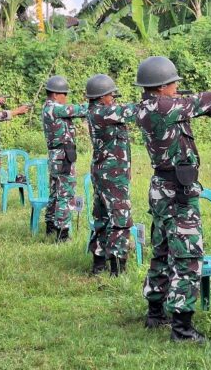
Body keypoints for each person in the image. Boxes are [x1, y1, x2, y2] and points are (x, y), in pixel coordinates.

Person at [135, 56, 211, 342]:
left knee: (163, 251)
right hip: (177, 191)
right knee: (189, 256)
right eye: (173, 83)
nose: (177, 87)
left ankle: (155, 313)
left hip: (162, 187)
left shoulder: (149, 107)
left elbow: (203, 107)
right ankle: (182, 328)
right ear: (162, 86)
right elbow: (200, 101)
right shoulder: (165, 106)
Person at [85, 74, 137, 276]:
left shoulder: (97, 111)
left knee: (102, 217)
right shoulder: (103, 113)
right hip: (112, 175)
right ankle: (117, 269)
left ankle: (98, 265)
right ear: (100, 97)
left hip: (105, 172)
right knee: (120, 218)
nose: (113, 98)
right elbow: (134, 110)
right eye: (110, 95)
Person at [41, 75, 88, 242]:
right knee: (65, 194)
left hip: (57, 156)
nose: (65, 98)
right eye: (64, 94)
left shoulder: (48, 108)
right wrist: (96, 103)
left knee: (55, 191)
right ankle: (62, 233)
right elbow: (79, 110)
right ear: (55, 94)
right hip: (63, 156)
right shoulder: (54, 108)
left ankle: (51, 226)